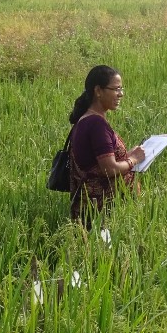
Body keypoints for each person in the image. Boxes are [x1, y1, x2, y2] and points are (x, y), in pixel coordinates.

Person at [68, 65, 146, 228]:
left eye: (121, 89)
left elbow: (98, 161)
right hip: (102, 213)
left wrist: (126, 156)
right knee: (105, 251)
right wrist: (133, 159)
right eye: (116, 89)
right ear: (98, 91)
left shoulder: (85, 120)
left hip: (92, 208)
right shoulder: (96, 124)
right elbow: (108, 169)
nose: (121, 94)